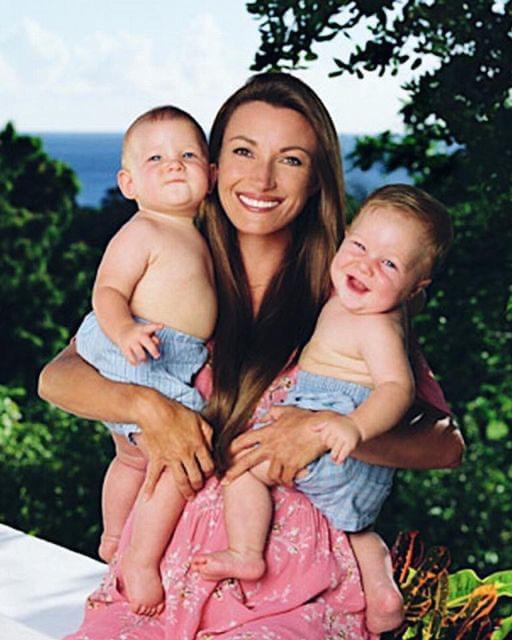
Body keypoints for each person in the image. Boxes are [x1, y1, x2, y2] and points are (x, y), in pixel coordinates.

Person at [38, 72, 464, 640]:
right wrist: (149, 409)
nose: (261, 178)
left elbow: (445, 445)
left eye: (290, 160)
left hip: (292, 587)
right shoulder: (175, 266)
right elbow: (60, 376)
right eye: (243, 151)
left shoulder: (351, 291)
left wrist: (319, 434)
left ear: (316, 180)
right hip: (166, 580)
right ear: (213, 166)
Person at [192, 183, 453, 633]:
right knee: (354, 530)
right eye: (359, 246)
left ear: (415, 287)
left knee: (243, 468)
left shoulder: (378, 326)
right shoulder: (352, 303)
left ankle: (246, 553)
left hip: (334, 442)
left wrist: (351, 427)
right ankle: (383, 593)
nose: (365, 266)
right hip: (353, 478)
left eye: (388, 264)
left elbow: (397, 389)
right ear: (343, 235)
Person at [74, 105, 217, 615]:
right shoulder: (144, 229)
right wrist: (125, 331)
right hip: (140, 352)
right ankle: (139, 559)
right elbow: (107, 289)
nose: (174, 164)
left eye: (187, 155)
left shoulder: (195, 234)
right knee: (178, 459)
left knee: (131, 457)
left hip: (164, 355)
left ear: (212, 174)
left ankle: (114, 534)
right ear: (129, 182)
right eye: (155, 158)